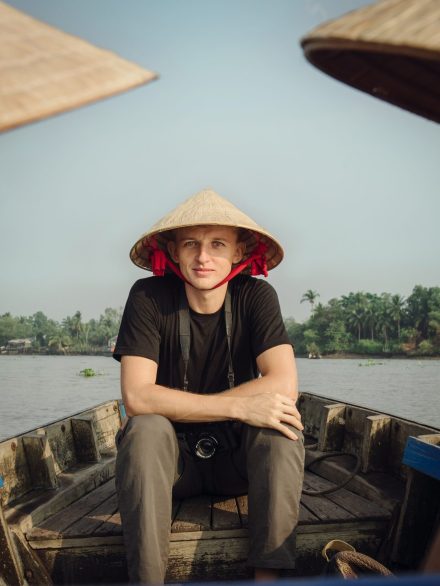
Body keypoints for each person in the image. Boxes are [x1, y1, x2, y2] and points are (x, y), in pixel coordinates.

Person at [113, 188, 305, 584]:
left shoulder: (256, 296)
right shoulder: (148, 296)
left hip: (238, 462)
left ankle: (267, 575)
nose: (203, 257)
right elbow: (137, 397)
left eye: (217, 244)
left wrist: (250, 411)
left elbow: (284, 383)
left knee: (281, 426)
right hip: (171, 467)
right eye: (191, 244)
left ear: (238, 252)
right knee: (145, 428)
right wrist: (238, 406)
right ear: (173, 250)